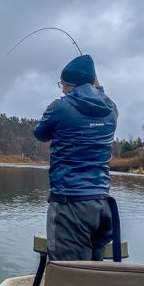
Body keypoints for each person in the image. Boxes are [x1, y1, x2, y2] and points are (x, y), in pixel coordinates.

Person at [33, 54, 119, 261]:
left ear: (73, 85)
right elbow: (102, 98)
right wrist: (95, 86)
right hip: (102, 206)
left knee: (68, 277)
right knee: (93, 275)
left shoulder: (60, 107)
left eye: (65, 84)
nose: (63, 90)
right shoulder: (111, 109)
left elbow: (40, 133)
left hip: (69, 205)